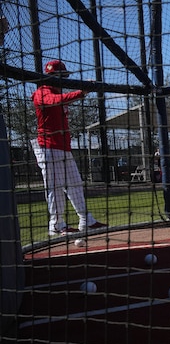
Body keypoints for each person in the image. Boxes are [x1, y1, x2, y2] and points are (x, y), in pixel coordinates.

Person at [31, 60, 107, 236]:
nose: (64, 80)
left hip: (63, 148)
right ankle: (56, 225)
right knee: (55, 187)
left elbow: (62, 99)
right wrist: (82, 92)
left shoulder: (56, 92)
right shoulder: (42, 92)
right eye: (61, 77)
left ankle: (86, 220)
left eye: (65, 77)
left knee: (74, 184)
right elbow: (56, 100)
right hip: (47, 148)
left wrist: (83, 91)